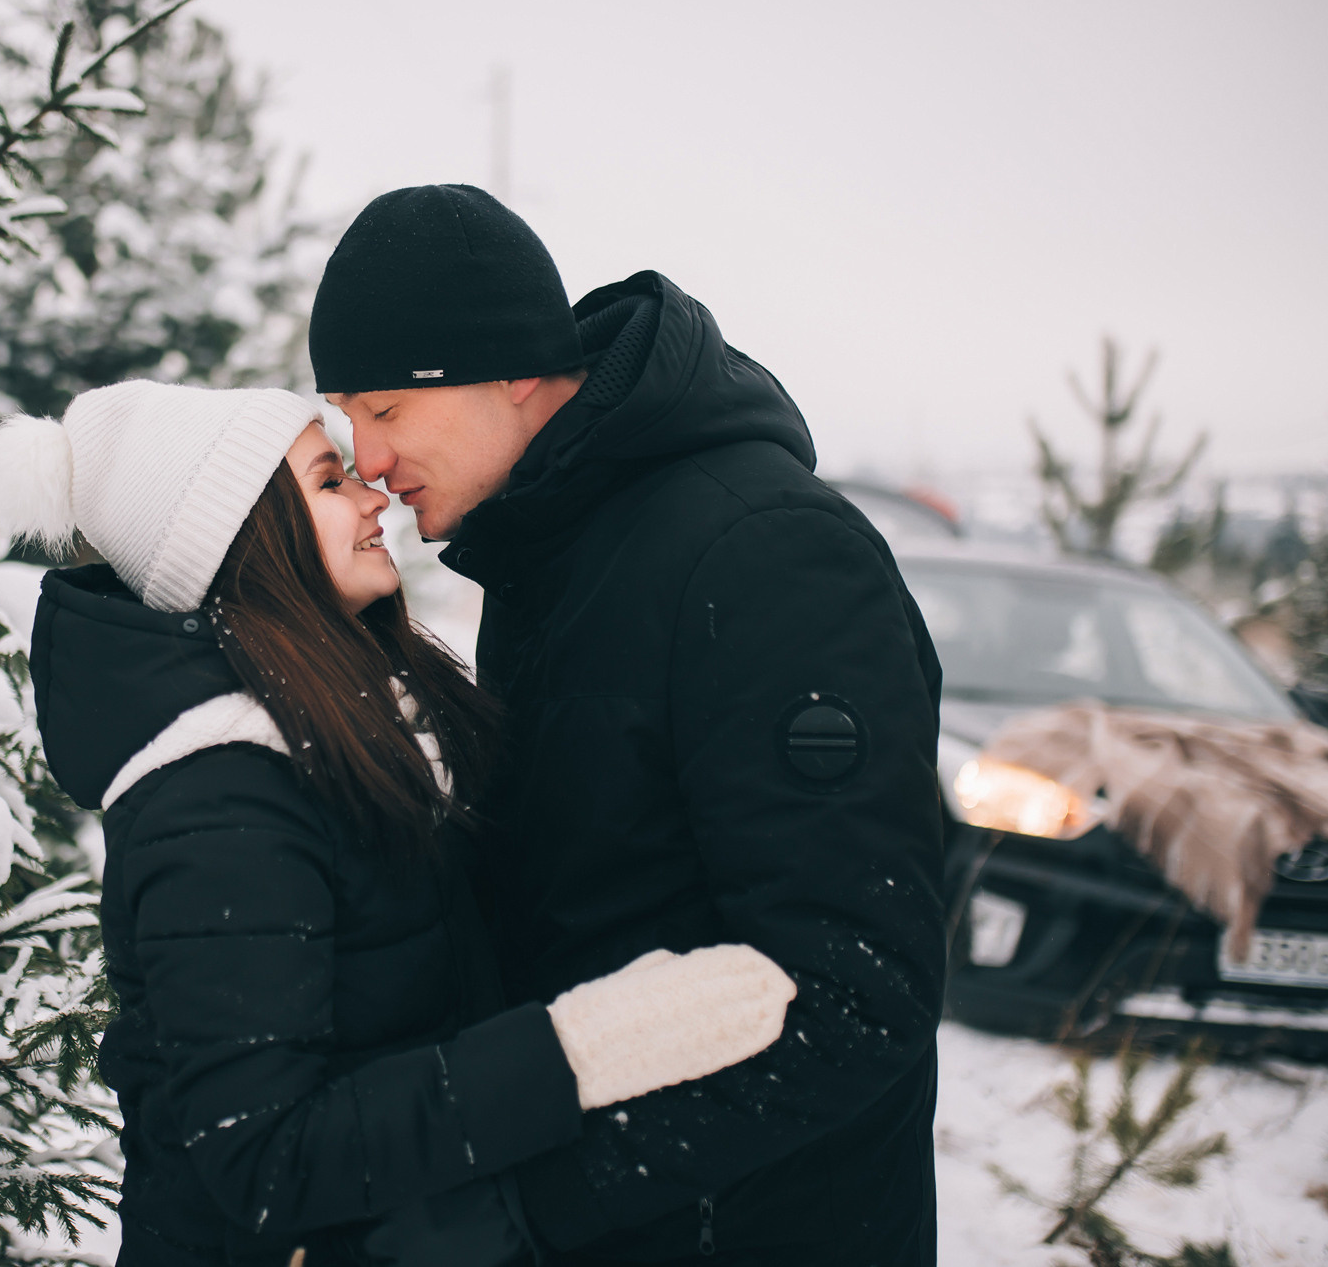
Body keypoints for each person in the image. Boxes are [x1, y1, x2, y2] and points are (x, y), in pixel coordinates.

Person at [0, 379, 798, 1267]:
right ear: (243, 537)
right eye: (330, 481)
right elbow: (265, 1159)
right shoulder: (220, 800)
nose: (373, 493)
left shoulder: (348, 732)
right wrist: (577, 1049)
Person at [308, 185, 949, 1267]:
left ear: (510, 370)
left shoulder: (761, 554)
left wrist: (530, 1207)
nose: (367, 459)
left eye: (384, 410)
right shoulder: (549, 553)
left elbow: (852, 992)